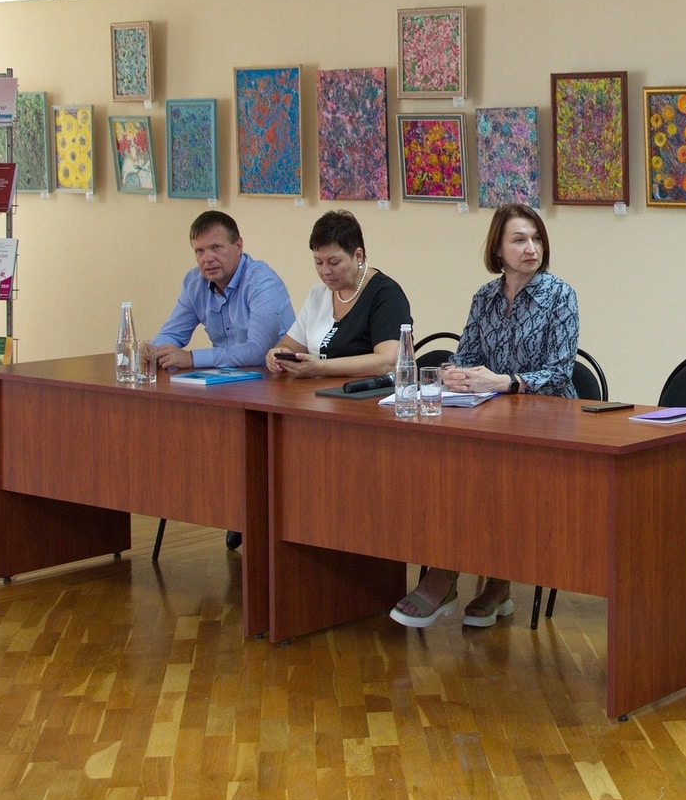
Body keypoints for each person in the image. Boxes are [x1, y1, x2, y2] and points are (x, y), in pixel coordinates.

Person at [389, 203, 578, 631]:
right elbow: (466, 354)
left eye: (536, 239)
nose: (531, 248)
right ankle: (463, 575)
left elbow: (560, 372)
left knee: (494, 479)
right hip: (490, 417)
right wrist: (455, 373)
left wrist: (505, 381)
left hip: (546, 422)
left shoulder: (559, 295)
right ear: (498, 249)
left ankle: (471, 579)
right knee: (449, 472)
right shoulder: (485, 297)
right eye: (519, 240)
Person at [262, 210, 412, 380]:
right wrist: (278, 354)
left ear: (358, 256)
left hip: (367, 392)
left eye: (334, 262)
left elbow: (387, 361)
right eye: (318, 262)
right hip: (317, 391)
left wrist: (320, 367)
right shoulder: (318, 294)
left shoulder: (386, 295)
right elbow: (290, 345)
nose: (325, 271)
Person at [146, 210, 294, 375]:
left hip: (275, 379)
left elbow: (258, 351)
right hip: (224, 378)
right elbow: (172, 334)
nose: (207, 258)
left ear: (238, 246)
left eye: (216, 248)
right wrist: (153, 351)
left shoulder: (263, 282)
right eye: (199, 251)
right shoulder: (195, 282)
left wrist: (192, 358)